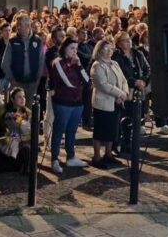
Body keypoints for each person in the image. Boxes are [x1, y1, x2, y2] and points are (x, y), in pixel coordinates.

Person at [47, 38, 89, 174]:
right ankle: (54, 159)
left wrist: (80, 65)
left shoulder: (77, 63)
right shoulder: (57, 62)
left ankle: (71, 156)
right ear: (65, 48)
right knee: (59, 131)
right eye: (72, 48)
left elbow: (87, 80)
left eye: (76, 49)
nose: (74, 51)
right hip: (63, 102)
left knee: (71, 131)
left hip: (77, 102)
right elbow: (68, 81)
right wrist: (79, 84)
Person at [90, 39, 129, 168]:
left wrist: (123, 94)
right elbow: (103, 84)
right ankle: (96, 157)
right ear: (99, 51)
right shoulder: (97, 65)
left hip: (115, 102)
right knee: (100, 131)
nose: (109, 52)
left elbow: (123, 80)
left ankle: (108, 154)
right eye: (106, 49)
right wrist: (119, 93)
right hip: (103, 103)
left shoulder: (115, 64)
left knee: (112, 130)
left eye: (110, 49)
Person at [0, 87, 29, 174]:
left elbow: (28, 131)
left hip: (20, 140)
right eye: (19, 97)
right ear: (12, 99)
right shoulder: (3, 110)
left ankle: (25, 169)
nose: (22, 99)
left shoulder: (27, 112)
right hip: (4, 137)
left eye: (23, 96)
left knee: (26, 146)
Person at [1, 15, 45, 99]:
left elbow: (41, 61)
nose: (17, 28)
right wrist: (11, 79)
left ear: (28, 26)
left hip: (32, 82)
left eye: (20, 25)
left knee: (28, 110)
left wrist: (38, 78)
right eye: (18, 25)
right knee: (16, 109)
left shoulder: (37, 41)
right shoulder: (12, 41)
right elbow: (5, 62)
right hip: (16, 82)